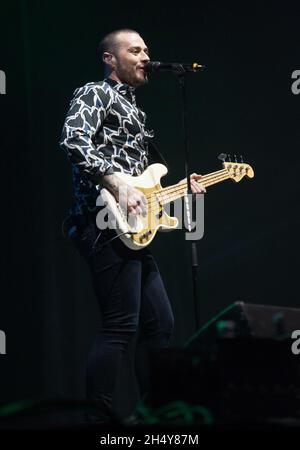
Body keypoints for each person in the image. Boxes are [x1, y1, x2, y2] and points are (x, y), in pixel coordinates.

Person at [60, 28, 205, 423]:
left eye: (147, 50)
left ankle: (151, 414)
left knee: (161, 324)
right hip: (103, 222)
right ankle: (98, 419)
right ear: (110, 59)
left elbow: (145, 180)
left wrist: (179, 189)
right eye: (135, 50)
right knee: (120, 325)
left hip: (132, 227)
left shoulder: (136, 112)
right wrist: (115, 183)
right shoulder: (95, 93)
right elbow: (73, 141)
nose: (146, 57)